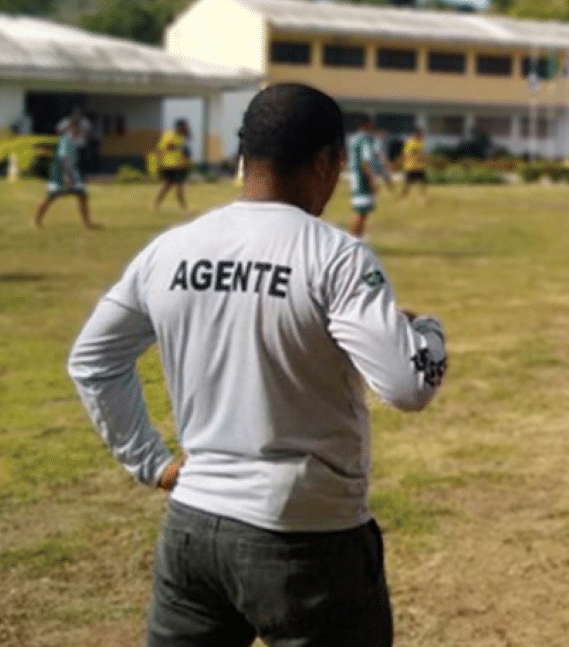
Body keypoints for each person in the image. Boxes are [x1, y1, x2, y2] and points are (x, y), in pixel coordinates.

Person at [68, 83, 448, 646]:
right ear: (328, 162)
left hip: (194, 531)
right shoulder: (334, 255)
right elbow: (407, 384)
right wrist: (426, 331)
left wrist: (151, 462)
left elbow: (93, 360)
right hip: (309, 538)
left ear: (245, 156)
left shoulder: (172, 249)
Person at [34, 119, 99, 230]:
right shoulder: (66, 140)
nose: (81, 130)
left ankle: (87, 223)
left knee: (82, 195)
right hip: (61, 174)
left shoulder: (75, 139)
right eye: (78, 128)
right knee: (51, 196)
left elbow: (83, 140)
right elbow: (64, 160)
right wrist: (68, 177)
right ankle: (36, 221)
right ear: (72, 128)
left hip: (71, 173)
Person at [348, 118, 395, 237]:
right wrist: (372, 180)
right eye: (370, 124)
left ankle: (356, 237)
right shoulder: (364, 140)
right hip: (362, 178)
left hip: (357, 177)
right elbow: (365, 162)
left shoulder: (354, 138)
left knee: (362, 211)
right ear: (365, 125)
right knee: (361, 211)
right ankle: (353, 238)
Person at [154, 119, 192, 213]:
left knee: (179, 187)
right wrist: (159, 164)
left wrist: (186, 162)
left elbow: (182, 152)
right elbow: (160, 149)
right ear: (179, 127)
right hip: (168, 165)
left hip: (179, 166)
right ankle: (157, 203)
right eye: (184, 126)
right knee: (168, 186)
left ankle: (184, 207)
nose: (186, 128)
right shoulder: (169, 135)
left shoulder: (182, 138)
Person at [399, 127, 429, 206]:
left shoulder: (421, 142)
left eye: (422, 134)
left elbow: (422, 153)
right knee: (407, 184)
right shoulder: (410, 142)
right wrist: (404, 162)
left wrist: (424, 158)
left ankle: (421, 198)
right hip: (411, 166)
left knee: (423, 182)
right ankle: (402, 198)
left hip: (420, 166)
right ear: (415, 134)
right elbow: (406, 154)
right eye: (420, 134)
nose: (421, 135)